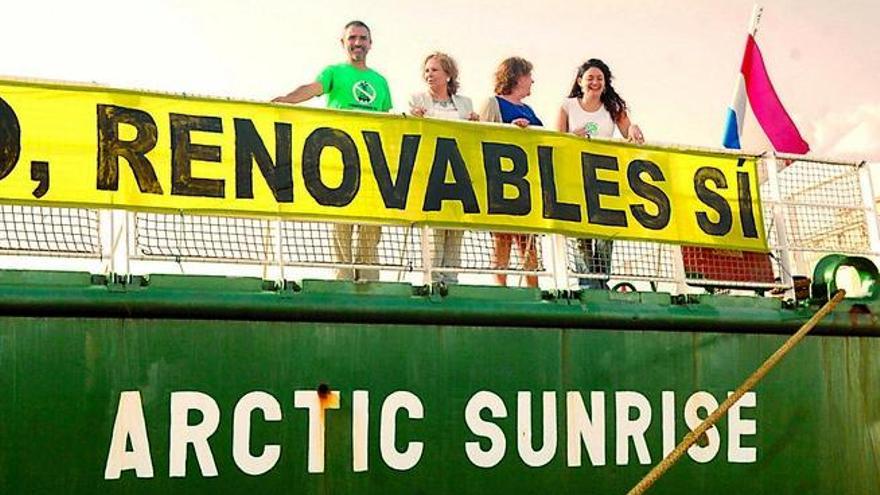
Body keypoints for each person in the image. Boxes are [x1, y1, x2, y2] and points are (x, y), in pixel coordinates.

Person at [273, 20, 391, 282]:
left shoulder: (380, 82)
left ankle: (370, 283)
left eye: (362, 38)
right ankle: (342, 281)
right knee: (341, 227)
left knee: (371, 230)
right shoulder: (334, 72)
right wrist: (287, 100)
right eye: (352, 38)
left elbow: (387, 121)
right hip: (339, 164)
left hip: (372, 167)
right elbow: (312, 89)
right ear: (343, 42)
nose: (357, 43)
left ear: (370, 44)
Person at [555, 58, 644, 289]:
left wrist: (633, 128)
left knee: (605, 232)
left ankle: (601, 281)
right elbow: (556, 139)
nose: (595, 82)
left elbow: (628, 133)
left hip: (606, 175)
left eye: (599, 78)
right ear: (580, 81)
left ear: (605, 83)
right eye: (590, 78)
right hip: (575, 174)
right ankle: (586, 283)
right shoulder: (567, 106)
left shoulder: (613, 108)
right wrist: (573, 137)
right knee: (580, 232)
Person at [409, 52, 478, 285]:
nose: (429, 75)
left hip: (459, 173)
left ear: (448, 74)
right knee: (434, 230)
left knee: (455, 230)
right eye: (427, 70)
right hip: (431, 172)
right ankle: (432, 280)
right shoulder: (416, 100)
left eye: (435, 70)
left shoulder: (465, 103)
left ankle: (451, 281)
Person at [479, 57, 542, 288]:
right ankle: (500, 287)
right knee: (502, 236)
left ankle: (533, 287)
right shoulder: (492, 103)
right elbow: (480, 136)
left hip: (527, 182)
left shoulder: (529, 109)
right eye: (528, 76)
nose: (532, 81)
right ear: (516, 76)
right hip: (501, 180)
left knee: (528, 239)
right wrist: (510, 129)